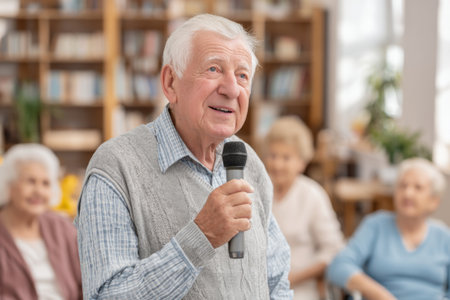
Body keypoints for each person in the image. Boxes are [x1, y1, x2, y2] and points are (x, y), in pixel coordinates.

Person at [75, 14, 293, 299]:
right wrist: (200, 238)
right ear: (170, 83)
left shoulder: (248, 161)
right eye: (214, 69)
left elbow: (276, 282)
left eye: (242, 75)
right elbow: (108, 295)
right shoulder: (117, 167)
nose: (231, 89)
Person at [326, 157, 450, 300]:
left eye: (418, 188)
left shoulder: (444, 237)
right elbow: (339, 266)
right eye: (402, 186)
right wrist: (378, 294)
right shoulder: (375, 225)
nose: (407, 193)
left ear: (434, 201)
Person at [263, 116, 345, 300]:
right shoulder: (258, 190)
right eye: (273, 155)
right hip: (259, 287)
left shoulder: (313, 195)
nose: (277, 164)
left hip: (300, 288)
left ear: (302, 162)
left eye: (286, 158)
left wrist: (291, 278)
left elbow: (333, 249)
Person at [0, 143, 82, 300]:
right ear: (9, 185)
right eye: (31, 181)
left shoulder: (62, 228)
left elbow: (85, 284)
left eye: (45, 183)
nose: (39, 191)